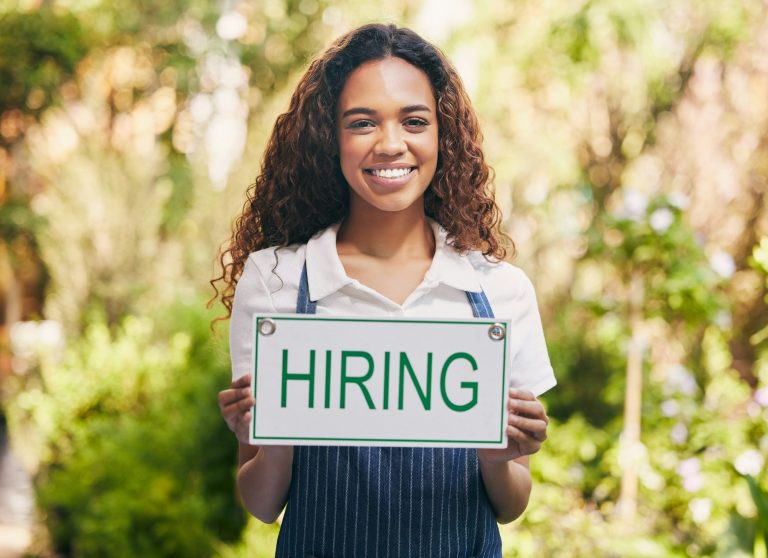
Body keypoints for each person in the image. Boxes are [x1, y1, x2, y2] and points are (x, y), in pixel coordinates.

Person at [213, 23, 556, 557]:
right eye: (362, 122)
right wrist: (267, 430)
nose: (390, 143)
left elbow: (511, 504)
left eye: (414, 121)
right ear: (332, 138)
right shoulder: (275, 279)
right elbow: (261, 503)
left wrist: (500, 454)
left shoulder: (499, 290)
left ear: (443, 136)